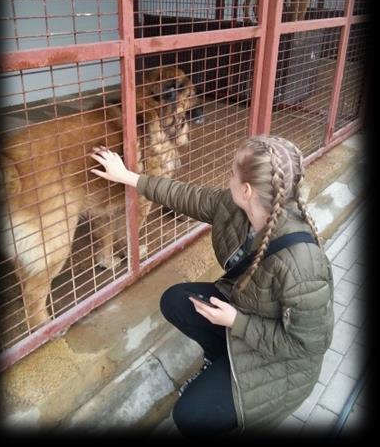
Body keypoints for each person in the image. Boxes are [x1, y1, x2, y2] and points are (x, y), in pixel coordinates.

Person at [91, 134, 334, 437]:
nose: (227, 175)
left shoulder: (304, 264)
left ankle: (230, 395)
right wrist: (128, 176)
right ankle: (221, 358)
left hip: (280, 366)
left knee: (189, 415)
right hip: (245, 313)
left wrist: (236, 321)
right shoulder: (236, 209)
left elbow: (307, 346)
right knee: (176, 300)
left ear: (246, 190)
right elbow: (186, 195)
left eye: (232, 171)